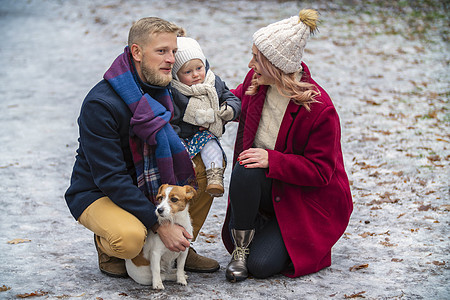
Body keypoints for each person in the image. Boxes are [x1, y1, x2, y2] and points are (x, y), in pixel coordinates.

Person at [65, 17, 219, 278]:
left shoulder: (165, 87)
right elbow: (110, 177)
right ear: (136, 52)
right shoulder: (101, 105)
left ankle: (180, 245)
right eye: (161, 51)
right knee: (129, 238)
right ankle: (109, 247)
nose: (171, 59)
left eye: (173, 51)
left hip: (146, 183)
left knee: (203, 168)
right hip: (100, 190)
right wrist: (159, 226)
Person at [221, 9, 353, 282]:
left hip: (305, 200)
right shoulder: (256, 83)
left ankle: (269, 232)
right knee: (246, 166)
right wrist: (217, 108)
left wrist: (273, 159)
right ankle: (241, 250)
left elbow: (320, 172)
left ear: (275, 65)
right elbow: (237, 100)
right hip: (270, 186)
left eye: (256, 58)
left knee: (262, 266)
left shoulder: (319, 109)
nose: (250, 64)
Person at [170, 37, 241, 197]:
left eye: (199, 68)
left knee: (211, 145)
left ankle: (214, 176)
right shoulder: (176, 92)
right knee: (180, 153)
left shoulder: (213, 82)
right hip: (183, 135)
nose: (196, 75)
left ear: (205, 64)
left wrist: (229, 109)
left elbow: (231, 98)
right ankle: (187, 173)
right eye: (188, 72)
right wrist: (176, 136)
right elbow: (172, 119)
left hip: (205, 134)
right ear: (177, 75)